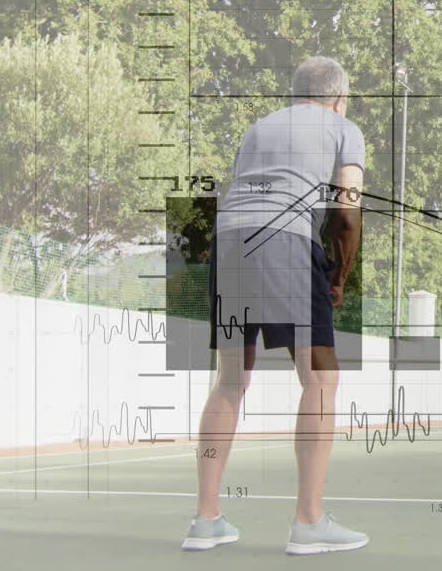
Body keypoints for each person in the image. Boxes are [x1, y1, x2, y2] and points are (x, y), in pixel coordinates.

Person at [182, 56, 369, 555]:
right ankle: (309, 522)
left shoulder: (257, 128)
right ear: (339, 97)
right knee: (320, 378)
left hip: (230, 239)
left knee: (229, 380)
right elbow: (346, 211)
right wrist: (341, 273)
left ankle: (206, 520)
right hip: (285, 240)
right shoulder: (343, 127)